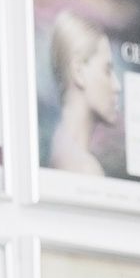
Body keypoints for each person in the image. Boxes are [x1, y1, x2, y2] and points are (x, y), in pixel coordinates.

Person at [45, 11, 120, 177]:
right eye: (107, 70)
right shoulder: (85, 169)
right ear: (78, 71)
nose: (117, 86)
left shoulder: (60, 146)